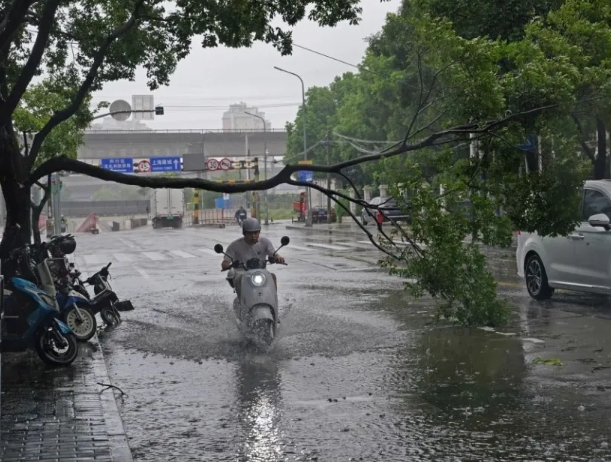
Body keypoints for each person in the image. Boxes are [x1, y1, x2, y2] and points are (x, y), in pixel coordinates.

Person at [221, 217, 285, 298]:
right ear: (244, 233)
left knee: (272, 276)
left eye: (256, 233)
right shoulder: (235, 245)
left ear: (259, 232)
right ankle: (242, 302)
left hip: (261, 273)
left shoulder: (265, 242)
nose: (253, 236)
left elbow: (274, 253)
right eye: (250, 233)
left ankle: (273, 300)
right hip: (242, 273)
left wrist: (279, 258)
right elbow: (224, 264)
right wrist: (231, 265)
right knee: (239, 279)